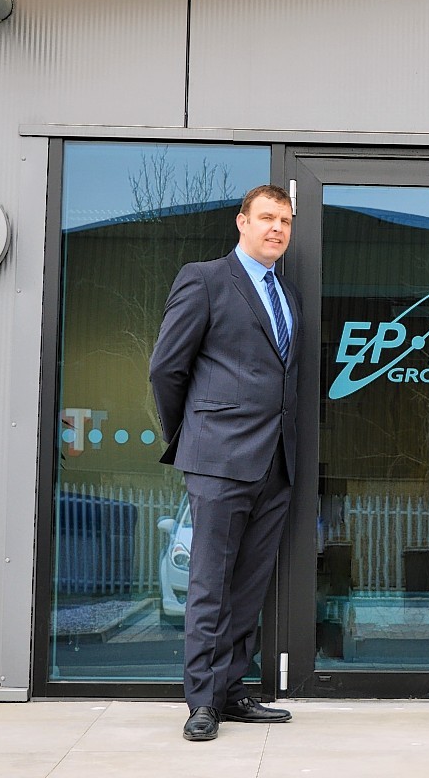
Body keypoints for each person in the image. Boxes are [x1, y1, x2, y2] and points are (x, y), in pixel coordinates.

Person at [149, 184, 301, 741]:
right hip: (218, 459)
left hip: (274, 464)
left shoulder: (286, 295)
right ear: (242, 222)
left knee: (248, 586)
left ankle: (233, 691)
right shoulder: (206, 279)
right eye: (266, 218)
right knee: (209, 583)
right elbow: (166, 369)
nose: (276, 229)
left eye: (284, 221)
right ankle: (202, 702)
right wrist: (194, 436)